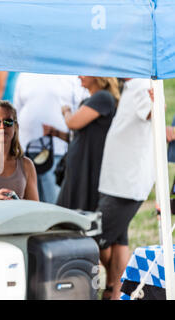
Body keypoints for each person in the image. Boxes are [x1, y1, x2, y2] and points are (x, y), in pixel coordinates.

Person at [94, 79, 155, 300]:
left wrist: (155, 104)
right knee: (119, 241)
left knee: (94, 235)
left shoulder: (140, 85)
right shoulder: (130, 86)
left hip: (125, 185)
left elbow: (150, 112)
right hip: (117, 183)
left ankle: (111, 288)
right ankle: (116, 293)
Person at [13, 73, 89, 204]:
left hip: (57, 153)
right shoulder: (24, 75)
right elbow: (17, 110)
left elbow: (79, 110)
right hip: (26, 152)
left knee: (53, 203)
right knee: (28, 204)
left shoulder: (71, 77)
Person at [56, 76, 120, 212]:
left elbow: (73, 122)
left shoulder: (102, 97)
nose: (80, 76)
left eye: (84, 73)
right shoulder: (91, 100)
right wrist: (56, 133)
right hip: (78, 170)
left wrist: (66, 111)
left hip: (87, 170)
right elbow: (83, 137)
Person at [0, 100, 39, 202]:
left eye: (8, 122)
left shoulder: (27, 165)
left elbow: (35, 209)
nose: (2, 127)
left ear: (15, 127)